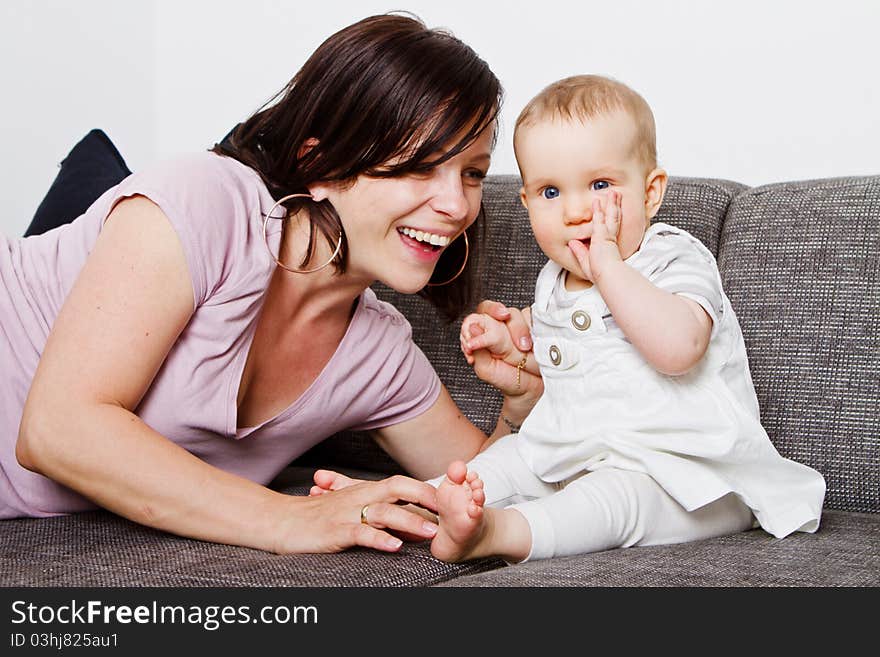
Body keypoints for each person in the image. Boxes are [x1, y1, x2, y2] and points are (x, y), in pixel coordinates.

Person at [0, 14, 540, 556]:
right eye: (420, 166)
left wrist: (519, 406)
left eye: (472, 172)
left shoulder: (377, 354)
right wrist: (286, 518)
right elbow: (55, 429)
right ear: (320, 164)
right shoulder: (207, 202)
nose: (456, 205)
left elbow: (489, 497)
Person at [315, 74, 826, 563]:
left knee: (614, 500)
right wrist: (514, 340)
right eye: (551, 193)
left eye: (600, 184)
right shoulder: (554, 279)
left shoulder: (672, 258)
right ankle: (407, 503)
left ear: (650, 192)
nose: (576, 211)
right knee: (502, 463)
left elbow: (678, 350)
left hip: (688, 478)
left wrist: (607, 265)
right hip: (571, 453)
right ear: (527, 200)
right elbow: (564, 343)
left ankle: (499, 532)